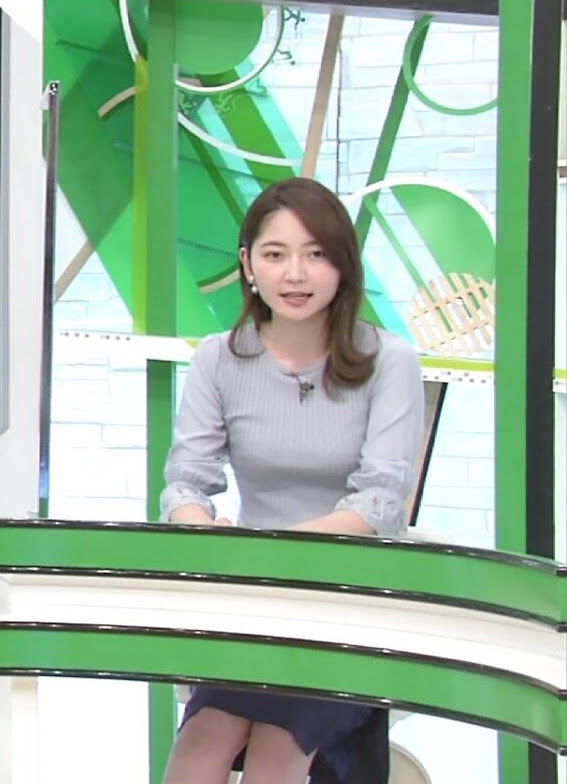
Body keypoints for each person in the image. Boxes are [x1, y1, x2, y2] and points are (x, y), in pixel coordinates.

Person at [159, 177, 424, 784]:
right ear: (248, 264)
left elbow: (380, 503)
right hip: (256, 602)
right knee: (201, 743)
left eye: (316, 254)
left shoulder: (390, 361)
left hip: (349, 602)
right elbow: (185, 483)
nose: (295, 274)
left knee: (278, 748)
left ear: (343, 266)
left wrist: (269, 551)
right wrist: (202, 533)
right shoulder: (218, 359)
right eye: (275, 254)